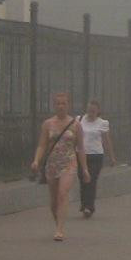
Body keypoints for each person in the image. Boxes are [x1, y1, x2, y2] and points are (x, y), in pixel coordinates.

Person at [31, 92, 85, 242]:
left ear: (68, 105)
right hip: (52, 164)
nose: (61, 106)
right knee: (54, 200)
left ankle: (60, 229)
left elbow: (80, 148)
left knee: (63, 193)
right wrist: (36, 160)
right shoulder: (48, 124)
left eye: (64, 103)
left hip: (69, 163)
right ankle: (58, 223)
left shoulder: (76, 125)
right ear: (54, 105)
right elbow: (42, 145)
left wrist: (84, 169)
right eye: (58, 103)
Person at [77, 99, 112, 217]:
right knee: (83, 180)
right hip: (81, 155)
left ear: (98, 111)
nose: (91, 112)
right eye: (89, 109)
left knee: (91, 180)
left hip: (96, 155)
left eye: (93, 110)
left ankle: (89, 207)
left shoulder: (102, 123)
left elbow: (106, 141)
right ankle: (84, 204)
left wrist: (111, 156)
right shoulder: (79, 120)